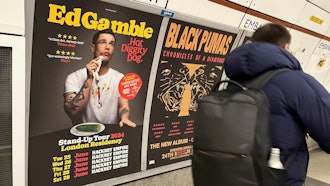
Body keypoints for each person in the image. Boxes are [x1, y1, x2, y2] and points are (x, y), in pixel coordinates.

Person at [224, 23, 330, 186]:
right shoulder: (297, 82)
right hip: (276, 178)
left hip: (232, 174)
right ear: (286, 47)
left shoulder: (233, 81)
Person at [63, 29, 136, 128]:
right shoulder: (74, 77)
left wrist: (125, 117)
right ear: (93, 48)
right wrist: (89, 78)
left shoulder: (120, 78)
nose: (107, 47)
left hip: (110, 136)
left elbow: (123, 106)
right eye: (102, 42)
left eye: (111, 44)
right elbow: (72, 111)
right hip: (82, 137)